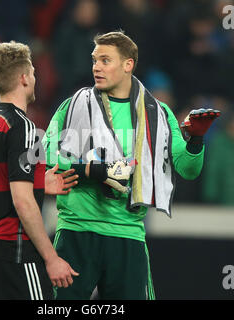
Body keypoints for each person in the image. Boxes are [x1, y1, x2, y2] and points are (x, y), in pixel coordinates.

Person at [42, 31, 220, 299]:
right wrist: (93, 170)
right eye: (94, 60)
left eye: (105, 60)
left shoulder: (158, 114)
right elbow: (46, 158)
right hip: (77, 231)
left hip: (128, 234)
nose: (96, 67)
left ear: (128, 65)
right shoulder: (73, 105)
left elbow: (187, 168)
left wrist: (195, 139)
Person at [0, 41, 79, 300]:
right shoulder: (24, 127)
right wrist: (51, 258)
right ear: (23, 78)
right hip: (16, 251)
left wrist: (36, 181)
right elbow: (22, 201)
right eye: (32, 72)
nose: (35, 77)